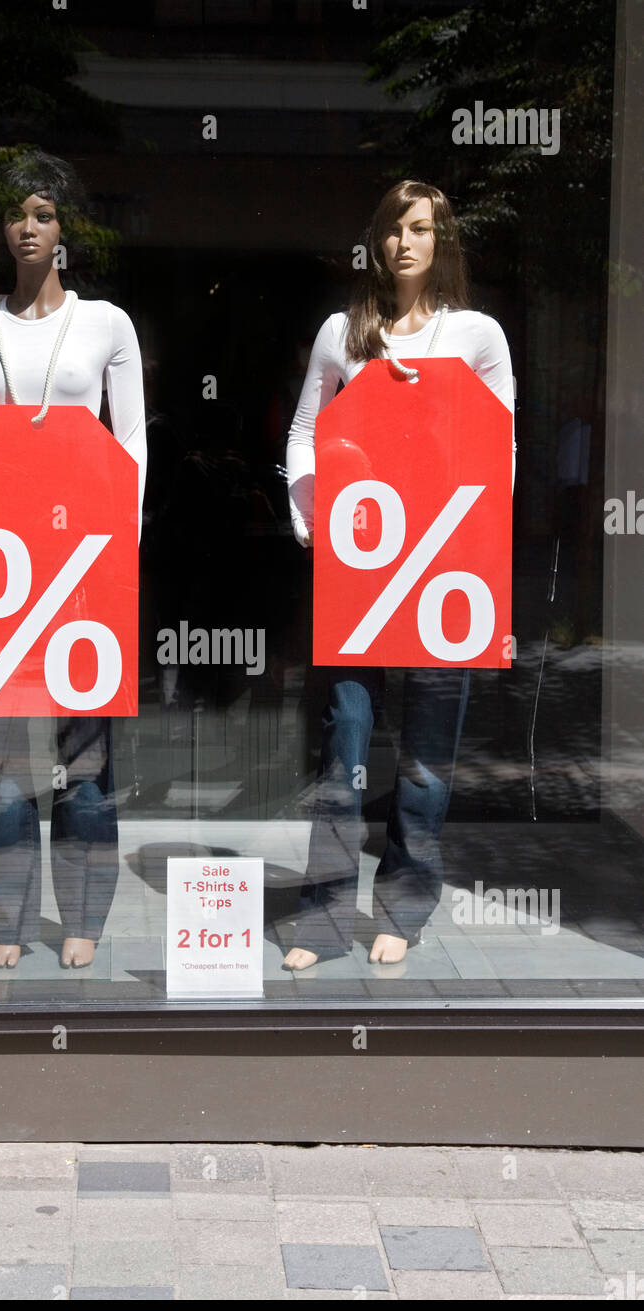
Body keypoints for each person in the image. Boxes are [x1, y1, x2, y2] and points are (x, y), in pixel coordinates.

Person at [284, 179, 514, 969]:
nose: (404, 243)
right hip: (360, 571)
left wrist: (480, 542)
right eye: (392, 229)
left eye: (421, 229)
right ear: (376, 242)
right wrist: (309, 516)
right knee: (343, 738)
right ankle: (322, 912)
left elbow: (501, 445)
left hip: (445, 570)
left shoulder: (477, 336)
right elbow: (308, 430)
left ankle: (405, 902)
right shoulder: (342, 335)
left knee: (425, 753)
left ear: (442, 239)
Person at [0, 152, 146, 969]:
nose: (29, 226)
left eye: (45, 213)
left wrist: (121, 538)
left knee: (85, 751)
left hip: (86, 560)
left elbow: (129, 441)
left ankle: (83, 915)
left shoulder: (107, 325)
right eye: (17, 213)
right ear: (2, 229)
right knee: (1, 757)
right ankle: (6, 918)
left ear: (66, 230)